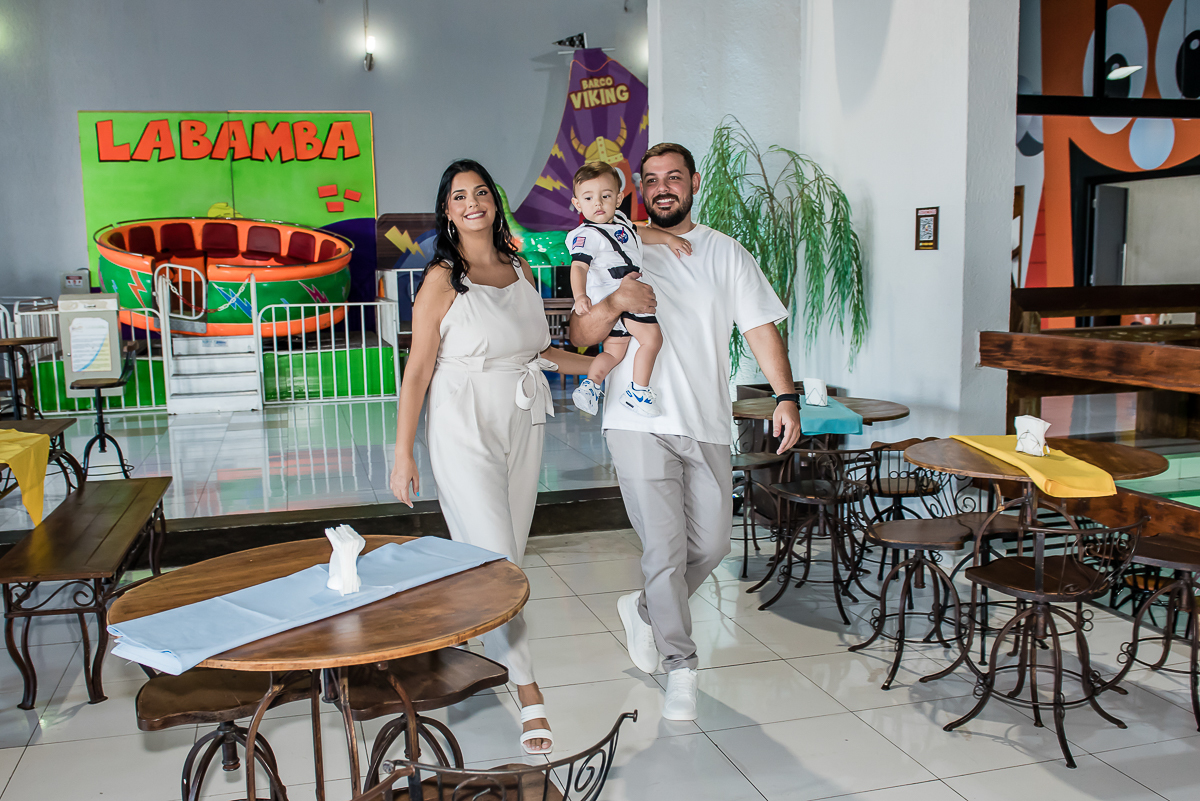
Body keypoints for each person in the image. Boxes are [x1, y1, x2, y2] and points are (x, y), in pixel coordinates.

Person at [569, 143, 803, 721]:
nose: (663, 187)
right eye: (652, 180)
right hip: (635, 417)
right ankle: (681, 665)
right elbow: (581, 329)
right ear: (639, 190)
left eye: (674, 177)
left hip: (705, 419)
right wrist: (617, 298)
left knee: (713, 544)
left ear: (694, 183)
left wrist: (786, 397)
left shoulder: (724, 252)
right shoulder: (610, 244)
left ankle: (646, 609)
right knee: (666, 549)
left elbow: (759, 328)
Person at [390, 159, 594, 755]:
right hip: (463, 422)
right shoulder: (441, 280)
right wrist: (403, 451)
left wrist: (598, 363)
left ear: (493, 202)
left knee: (501, 552)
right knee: (502, 558)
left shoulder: (518, 266)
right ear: (447, 211)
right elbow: (419, 368)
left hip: (523, 417)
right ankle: (528, 690)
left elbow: (540, 350)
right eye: (460, 196)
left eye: (481, 192)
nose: (473, 202)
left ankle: (473, 633)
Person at [567, 161, 691, 418]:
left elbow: (641, 233)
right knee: (652, 339)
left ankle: (591, 385)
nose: (598, 203)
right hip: (622, 294)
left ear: (619, 198)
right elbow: (578, 267)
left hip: (618, 303)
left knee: (613, 352)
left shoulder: (621, 221)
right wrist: (580, 295)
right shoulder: (587, 235)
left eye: (606, 196)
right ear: (578, 204)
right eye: (589, 198)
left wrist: (668, 238)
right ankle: (638, 391)